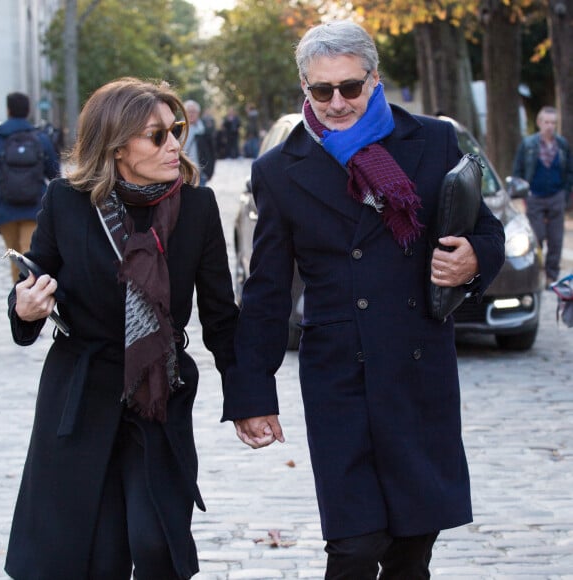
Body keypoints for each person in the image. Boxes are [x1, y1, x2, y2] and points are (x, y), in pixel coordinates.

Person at [222, 20, 505, 579]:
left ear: (374, 80)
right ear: (304, 87)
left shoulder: (433, 140)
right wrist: (251, 393)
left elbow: (487, 233)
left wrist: (473, 258)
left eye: (350, 87)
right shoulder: (279, 170)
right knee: (353, 547)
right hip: (339, 378)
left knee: (411, 547)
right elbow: (267, 292)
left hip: (417, 367)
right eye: (320, 90)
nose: (336, 103)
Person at [5, 77, 238, 580]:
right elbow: (34, 276)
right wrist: (24, 307)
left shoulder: (197, 208)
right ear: (116, 146)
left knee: (156, 544)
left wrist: (248, 400)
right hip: (81, 392)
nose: (175, 143)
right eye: (157, 136)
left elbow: (221, 316)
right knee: (92, 554)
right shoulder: (66, 201)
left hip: (158, 394)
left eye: (175, 129)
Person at [0, 92, 59, 282]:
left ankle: (19, 298)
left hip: (4, 207)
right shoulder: (40, 138)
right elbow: (54, 173)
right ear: (28, 110)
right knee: (29, 255)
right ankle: (28, 296)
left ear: (8, 110)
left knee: (14, 257)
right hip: (35, 206)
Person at [513, 105, 573, 287]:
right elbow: (518, 170)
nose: (549, 126)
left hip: (556, 195)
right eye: (546, 122)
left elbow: (569, 171)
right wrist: (523, 192)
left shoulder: (562, 145)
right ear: (539, 123)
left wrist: (565, 192)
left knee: (556, 238)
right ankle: (537, 272)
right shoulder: (528, 145)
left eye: (553, 122)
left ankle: (551, 276)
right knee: (537, 235)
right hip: (535, 196)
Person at [183, 99, 216, 187]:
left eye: (194, 111)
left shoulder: (204, 130)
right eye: (189, 111)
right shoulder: (178, 129)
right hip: (183, 174)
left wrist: (209, 172)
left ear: (198, 113)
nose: (191, 114)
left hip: (200, 173)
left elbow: (212, 152)